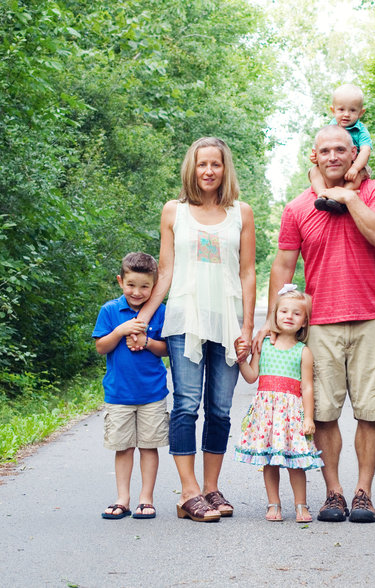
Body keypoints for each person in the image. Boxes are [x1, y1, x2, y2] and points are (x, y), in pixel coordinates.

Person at [258, 124, 375, 524]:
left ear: (354, 155)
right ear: (314, 157)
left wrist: (348, 198)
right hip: (320, 324)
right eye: (326, 151)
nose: (335, 156)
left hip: (371, 317)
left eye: (343, 149)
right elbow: (283, 265)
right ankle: (333, 492)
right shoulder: (299, 208)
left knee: (370, 411)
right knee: (322, 413)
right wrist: (272, 319)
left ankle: (363, 493)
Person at [131, 137, 256, 522]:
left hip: (227, 322)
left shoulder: (242, 213)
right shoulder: (174, 212)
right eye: (202, 164)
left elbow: (248, 272)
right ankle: (188, 493)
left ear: (224, 169)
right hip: (185, 320)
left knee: (219, 409)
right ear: (192, 167)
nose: (208, 171)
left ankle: (211, 487)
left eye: (215, 164)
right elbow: (165, 271)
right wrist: (144, 318)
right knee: (186, 404)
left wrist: (247, 327)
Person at [234, 284, 323, 523]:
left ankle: (301, 505)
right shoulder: (264, 346)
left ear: (304, 321)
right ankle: (273, 503)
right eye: (284, 311)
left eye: (296, 313)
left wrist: (308, 417)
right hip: (267, 414)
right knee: (269, 461)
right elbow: (252, 376)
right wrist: (242, 360)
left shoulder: (303, 351)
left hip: (291, 414)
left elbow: (307, 387)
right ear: (274, 315)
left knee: (296, 462)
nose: (289, 317)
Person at [92, 252, 170, 520]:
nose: (137, 292)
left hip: (152, 393)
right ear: (120, 281)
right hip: (119, 394)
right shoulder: (110, 311)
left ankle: (145, 498)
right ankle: (122, 498)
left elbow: (167, 350)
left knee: (149, 446)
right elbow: (101, 347)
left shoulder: (160, 311)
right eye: (131, 285)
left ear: (155, 285)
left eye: (145, 286)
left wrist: (147, 341)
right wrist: (120, 331)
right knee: (123, 447)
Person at [310, 83, 373, 214]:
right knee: (313, 171)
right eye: (341, 110)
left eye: (352, 110)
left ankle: (343, 195)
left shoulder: (361, 131)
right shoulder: (330, 127)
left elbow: (366, 151)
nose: (346, 114)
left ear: (361, 112)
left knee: (358, 175)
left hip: (357, 165)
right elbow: (321, 143)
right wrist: (315, 156)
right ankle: (322, 195)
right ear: (333, 111)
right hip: (336, 167)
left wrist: (355, 168)